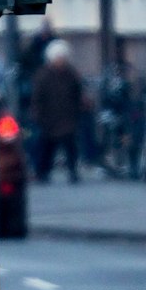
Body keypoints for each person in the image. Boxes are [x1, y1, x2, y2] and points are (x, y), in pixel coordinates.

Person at [30, 40, 87, 183]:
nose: (60, 61)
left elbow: (78, 93)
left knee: (70, 147)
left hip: (68, 116)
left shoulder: (71, 74)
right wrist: (38, 114)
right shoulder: (43, 75)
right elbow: (37, 97)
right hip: (49, 117)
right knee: (47, 147)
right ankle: (42, 172)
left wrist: (80, 107)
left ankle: (72, 172)